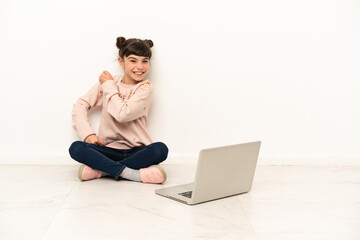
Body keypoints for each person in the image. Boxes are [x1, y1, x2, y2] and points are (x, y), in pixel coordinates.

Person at [69, 37, 168, 184]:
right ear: (121, 62)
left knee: (160, 150)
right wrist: (88, 134)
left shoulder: (145, 88)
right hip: (108, 150)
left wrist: (108, 85)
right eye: (133, 61)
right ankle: (131, 174)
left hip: (137, 150)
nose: (140, 66)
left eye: (145, 61)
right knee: (76, 148)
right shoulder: (110, 82)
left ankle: (102, 171)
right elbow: (80, 105)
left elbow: (123, 114)